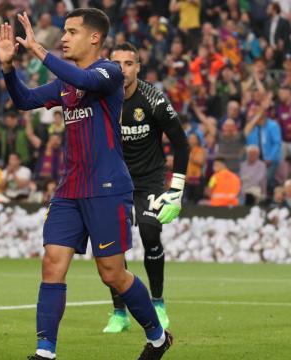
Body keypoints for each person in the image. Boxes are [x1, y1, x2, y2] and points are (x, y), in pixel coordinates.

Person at [0, 8, 171, 360]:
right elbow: (24, 101)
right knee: (51, 263)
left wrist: (37, 50)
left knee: (112, 274)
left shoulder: (108, 72)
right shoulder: (64, 82)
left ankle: (157, 336)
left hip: (107, 187)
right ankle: (45, 352)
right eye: (63, 31)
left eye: (71, 31)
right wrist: (7, 69)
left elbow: (86, 82)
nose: (63, 38)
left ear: (94, 38)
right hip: (69, 188)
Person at [104, 42, 189, 333]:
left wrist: (175, 189)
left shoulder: (153, 99)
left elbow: (181, 142)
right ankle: (119, 313)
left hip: (149, 180)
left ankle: (158, 303)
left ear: (138, 67)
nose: (123, 70)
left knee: (150, 233)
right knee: (112, 245)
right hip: (114, 181)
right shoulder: (102, 97)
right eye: (117, 64)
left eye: (129, 64)